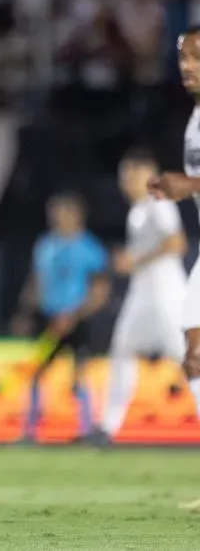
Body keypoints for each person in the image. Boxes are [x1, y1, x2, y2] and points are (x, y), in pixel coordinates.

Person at [101, 148, 189, 444]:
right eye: (123, 176)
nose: (126, 182)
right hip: (142, 295)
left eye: (131, 175)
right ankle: (107, 428)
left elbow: (177, 243)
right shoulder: (138, 209)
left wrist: (134, 260)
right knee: (122, 350)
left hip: (166, 295)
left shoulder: (158, 203)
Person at [11, 193, 110, 444]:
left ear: (76, 215)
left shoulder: (90, 248)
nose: (55, 218)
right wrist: (24, 313)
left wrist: (75, 315)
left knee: (81, 375)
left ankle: (88, 431)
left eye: (61, 212)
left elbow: (100, 291)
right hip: (49, 320)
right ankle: (29, 432)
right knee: (35, 372)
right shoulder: (45, 245)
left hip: (79, 322)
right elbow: (36, 281)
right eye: (53, 213)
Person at [143, 26, 200, 413]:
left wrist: (191, 183)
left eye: (196, 56)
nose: (187, 65)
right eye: (182, 56)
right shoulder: (194, 120)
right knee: (194, 356)